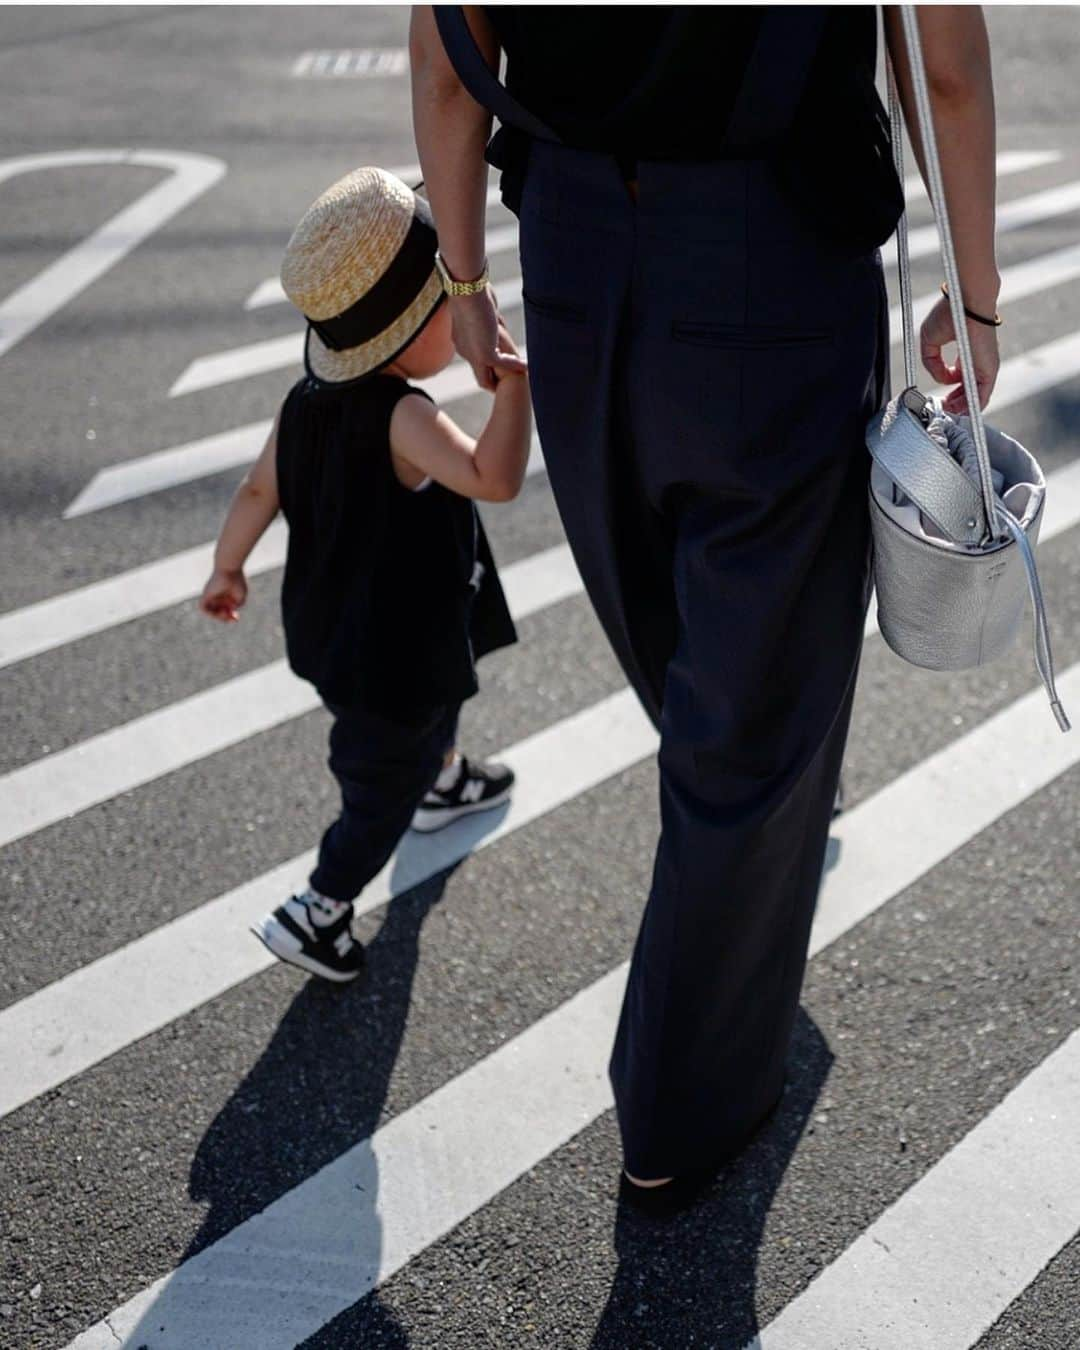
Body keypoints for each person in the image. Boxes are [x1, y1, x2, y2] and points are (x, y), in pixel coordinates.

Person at [409, 5, 1001, 1204]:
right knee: (748, 720)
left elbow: (448, 55)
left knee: (685, 652)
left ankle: (747, 853)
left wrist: (462, 272)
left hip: (575, 246)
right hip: (773, 246)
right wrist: (975, 298)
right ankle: (680, 1109)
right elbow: (943, 61)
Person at [199, 166, 532, 983]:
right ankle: (318, 909)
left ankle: (443, 778)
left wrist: (227, 567)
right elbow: (493, 477)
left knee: (419, 724)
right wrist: (519, 386)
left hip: (333, 628)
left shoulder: (302, 404)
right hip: (392, 648)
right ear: (412, 329)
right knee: (380, 780)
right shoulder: (403, 416)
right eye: (442, 310)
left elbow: (255, 491)